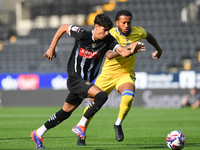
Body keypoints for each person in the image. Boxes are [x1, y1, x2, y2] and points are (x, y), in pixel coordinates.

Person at [30, 13, 145, 149]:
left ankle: (38, 133)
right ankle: (81, 125)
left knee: (65, 113)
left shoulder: (108, 40)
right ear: (96, 27)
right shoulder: (82, 34)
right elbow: (63, 27)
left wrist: (132, 50)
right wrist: (51, 47)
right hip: (75, 79)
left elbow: (123, 52)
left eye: (109, 30)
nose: (107, 33)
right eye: (105, 30)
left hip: (84, 82)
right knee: (102, 96)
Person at [76, 10, 162, 146]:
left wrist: (159, 49)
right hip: (107, 75)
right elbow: (109, 54)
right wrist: (129, 48)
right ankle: (81, 133)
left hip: (125, 73)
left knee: (128, 96)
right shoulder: (110, 34)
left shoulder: (138, 32)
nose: (127, 25)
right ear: (117, 23)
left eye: (129, 22)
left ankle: (118, 124)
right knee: (93, 103)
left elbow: (149, 36)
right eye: (124, 22)